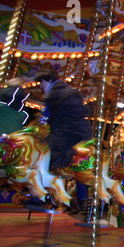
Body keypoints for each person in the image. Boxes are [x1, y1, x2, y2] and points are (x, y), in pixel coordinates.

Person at [34, 69, 93, 209]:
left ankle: (40, 195)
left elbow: (50, 118)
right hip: (84, 133)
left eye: (41, 83)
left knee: (42, 155)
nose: (40, 86)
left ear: (48, 81)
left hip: (68, 133)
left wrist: (46, 127)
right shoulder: (70, 91)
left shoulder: (55, 94)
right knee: (81, 165)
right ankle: (82, 198)